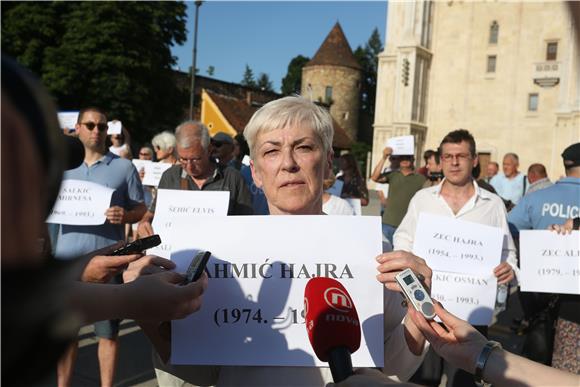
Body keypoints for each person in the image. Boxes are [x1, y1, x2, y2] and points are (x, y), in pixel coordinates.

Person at [141, 96, 432, 385]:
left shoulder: (372, 253)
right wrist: (150, 317)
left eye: (303, 147)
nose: (288, 163)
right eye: (271, 151)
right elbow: (200, 375)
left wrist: (420, 316)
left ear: (328, 163)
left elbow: (393, 371)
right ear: (255, 172)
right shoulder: (218, 258)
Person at [1, 56, 208, 386]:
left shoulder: (121, 168)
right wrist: (134, 299)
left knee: (105, 337)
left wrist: (80, 269)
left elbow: (23, 297)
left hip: (92, 265)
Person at [393, 129, 517, 386]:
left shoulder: (492, 204)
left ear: (474, 160)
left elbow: (508, 253)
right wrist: (410, 264)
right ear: (441, 160)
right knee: (424, 378)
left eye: (461, 156)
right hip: (426, 309)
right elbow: (402, 239)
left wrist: (510, 269)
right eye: (447, 156)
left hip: (472, 311)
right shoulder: (422, 199)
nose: (454, 162)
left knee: (467, 380)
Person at [51, 107, 147, 387]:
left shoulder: (123, 167)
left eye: (102, 127)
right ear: (77, 128)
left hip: (108, 262)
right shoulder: (61, 167)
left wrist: (125, 215)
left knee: (107, 334)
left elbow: (141, 208)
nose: (96, 131)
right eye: (90, 125)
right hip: (67, 262)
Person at [508, 143, 580, 366]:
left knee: (539, 355)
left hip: (540, 293)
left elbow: (509, 228)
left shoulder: (537, 197)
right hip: (575, 299)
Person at [137, 121, 253, 238]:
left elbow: (247, 223)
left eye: (196, 159)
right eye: (183, 159)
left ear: (209, 150)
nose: (189, 166)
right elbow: (153, 212)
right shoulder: (170, 177)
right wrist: (144, 222)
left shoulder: (232, 178)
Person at [371, 148, 426, 244]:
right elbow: (374, 177)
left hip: (408, 226)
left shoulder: (421, 179)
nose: (405, 160)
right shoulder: (393, 175)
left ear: (413, 160)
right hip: (388, 223)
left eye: (408, 158)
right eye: (402, 157)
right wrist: (384, 157)